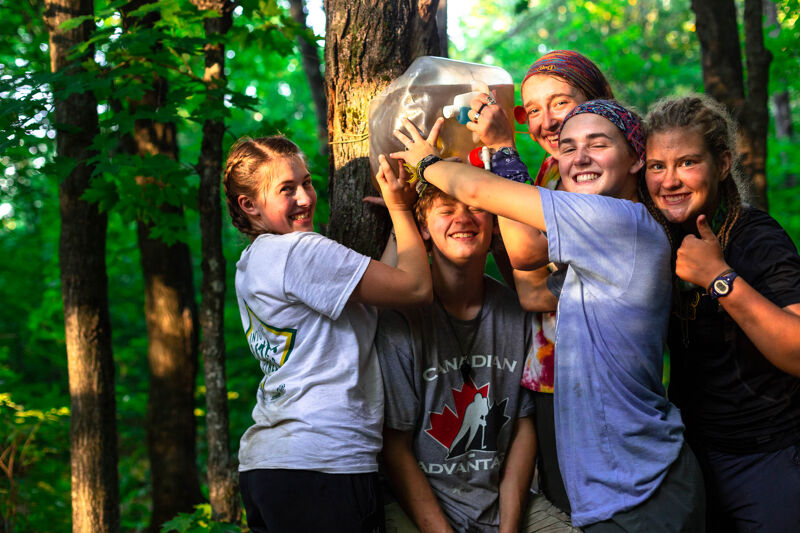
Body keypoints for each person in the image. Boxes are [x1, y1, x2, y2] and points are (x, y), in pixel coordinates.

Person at [387, 100, 705, 531]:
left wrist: (431, 162)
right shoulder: (599, 238)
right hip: (615, 487)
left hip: (643, 489)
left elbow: (480, 194)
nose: (580, 158)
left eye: (598, 144)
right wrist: (402, 216)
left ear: (636, 160)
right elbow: (527, 267)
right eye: (568, 147)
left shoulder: (619, 219)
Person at [223, 135, 433, 532]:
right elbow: (416, 289)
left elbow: (379, 296)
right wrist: (402, 207)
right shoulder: (300, 251)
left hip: (270, 467)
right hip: (322, 464)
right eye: (286, 189)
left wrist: (398, 224)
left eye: (307, 182)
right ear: (248, 205)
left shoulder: (253, 263)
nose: (305, 197)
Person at [467, 51, 615, 527]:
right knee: (561, 502)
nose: (546, 121)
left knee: (591, 509)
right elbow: (522, 267)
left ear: (597, 103)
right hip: (549, 371)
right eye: (532, 110)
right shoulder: (552, 173)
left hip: (592, 376)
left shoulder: (599, 177)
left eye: (561, 103)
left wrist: (504, 150)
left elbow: (534, 284)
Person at [644, 94, 800, 532]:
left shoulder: (757, 238)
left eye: (687, 162)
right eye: (657, 166)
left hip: (768, 458)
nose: (670, 180)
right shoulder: (659, 236)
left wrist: (719, 278)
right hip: (690, 455)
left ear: (723, 163)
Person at [377, 184, 538, 532]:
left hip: (502, 501)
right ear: (422, 228)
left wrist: (509, 529)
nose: (462, 218)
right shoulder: (400, 320)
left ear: (495, 224)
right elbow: (395, 448)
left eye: (476, 207)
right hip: (420, 509)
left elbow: (524, 427)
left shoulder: (517, 312)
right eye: (446, 210)